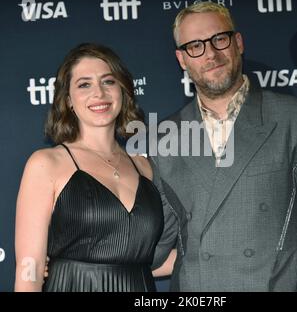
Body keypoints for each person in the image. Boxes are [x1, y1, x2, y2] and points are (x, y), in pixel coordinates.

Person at [149, 1, 297, 291]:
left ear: (238, 42)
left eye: (219, 39)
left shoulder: (295, 118)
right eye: (195, 46)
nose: (211, 54)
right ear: (182, 59)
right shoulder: (164, 137)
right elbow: (155, 238)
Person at [14, 43, 177, 292]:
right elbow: (30, 267)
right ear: (68, 100)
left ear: (123, 91)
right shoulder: (47, 164)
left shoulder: (145, 168)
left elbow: (155, 261)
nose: (99, 93)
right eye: (84, 84)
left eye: (108, 81)